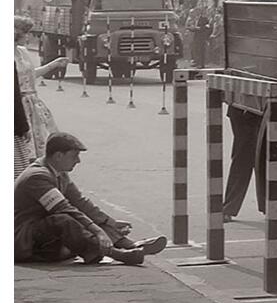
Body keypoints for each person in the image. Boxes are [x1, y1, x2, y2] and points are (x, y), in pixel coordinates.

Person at [14, 132, 167, 265]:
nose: (78, 161)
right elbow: (63, 208)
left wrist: (109, 222)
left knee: (87, 216)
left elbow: (80, 202)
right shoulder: (37, 177)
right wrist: (98, 230)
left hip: (43, 236)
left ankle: (129, 245)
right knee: (64, 219)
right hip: (24, 240)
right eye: (74, 156)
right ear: (59, 156)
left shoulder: (58, 173)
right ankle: (115, 253)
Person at [14, 15, 67, 176]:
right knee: (23, 143)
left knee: (42, 143)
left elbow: (29, 75)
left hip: (33, 102)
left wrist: (53, 65)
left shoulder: (22, 52)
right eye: (26, 33)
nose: (29, 36)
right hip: (19, 102)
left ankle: (37, 175)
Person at [221, 104, 262, 221]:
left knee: (248, 157)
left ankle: (229, 208)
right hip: (245, 111)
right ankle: (229, 208)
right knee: (244, 157)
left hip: (248, 109)